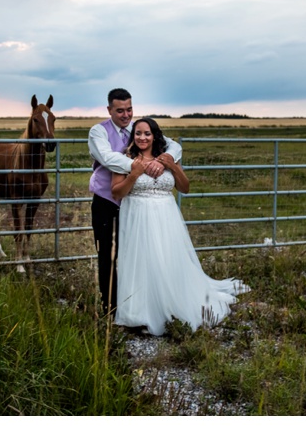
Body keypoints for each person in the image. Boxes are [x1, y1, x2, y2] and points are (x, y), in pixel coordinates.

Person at [111, 117, 250, 336]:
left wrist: (173, 167)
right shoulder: (124, 159)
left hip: (166, 217)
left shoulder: (167, 157)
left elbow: (185, 187)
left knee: (167, 259)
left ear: (155, 135)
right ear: (133, 136)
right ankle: (141, 313)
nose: (142, 138)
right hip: (137, 216)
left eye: (147, 133)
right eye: (138, 133)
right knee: (143, 260)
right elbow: (116, 192)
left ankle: (173, 306)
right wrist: (134, 175)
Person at [88, 89, 182, 317]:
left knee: (135, 253)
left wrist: (161, 161)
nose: (125, 114)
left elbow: (174, 147)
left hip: (134, 205)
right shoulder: (98, 131)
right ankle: (110, 307)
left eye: (129, 109)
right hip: (106, 201)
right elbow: (108, 158)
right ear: (109, 109)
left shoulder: (137, 129)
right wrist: (139, 165)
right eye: (119, 110)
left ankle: (140, 303)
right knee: (107, 254)